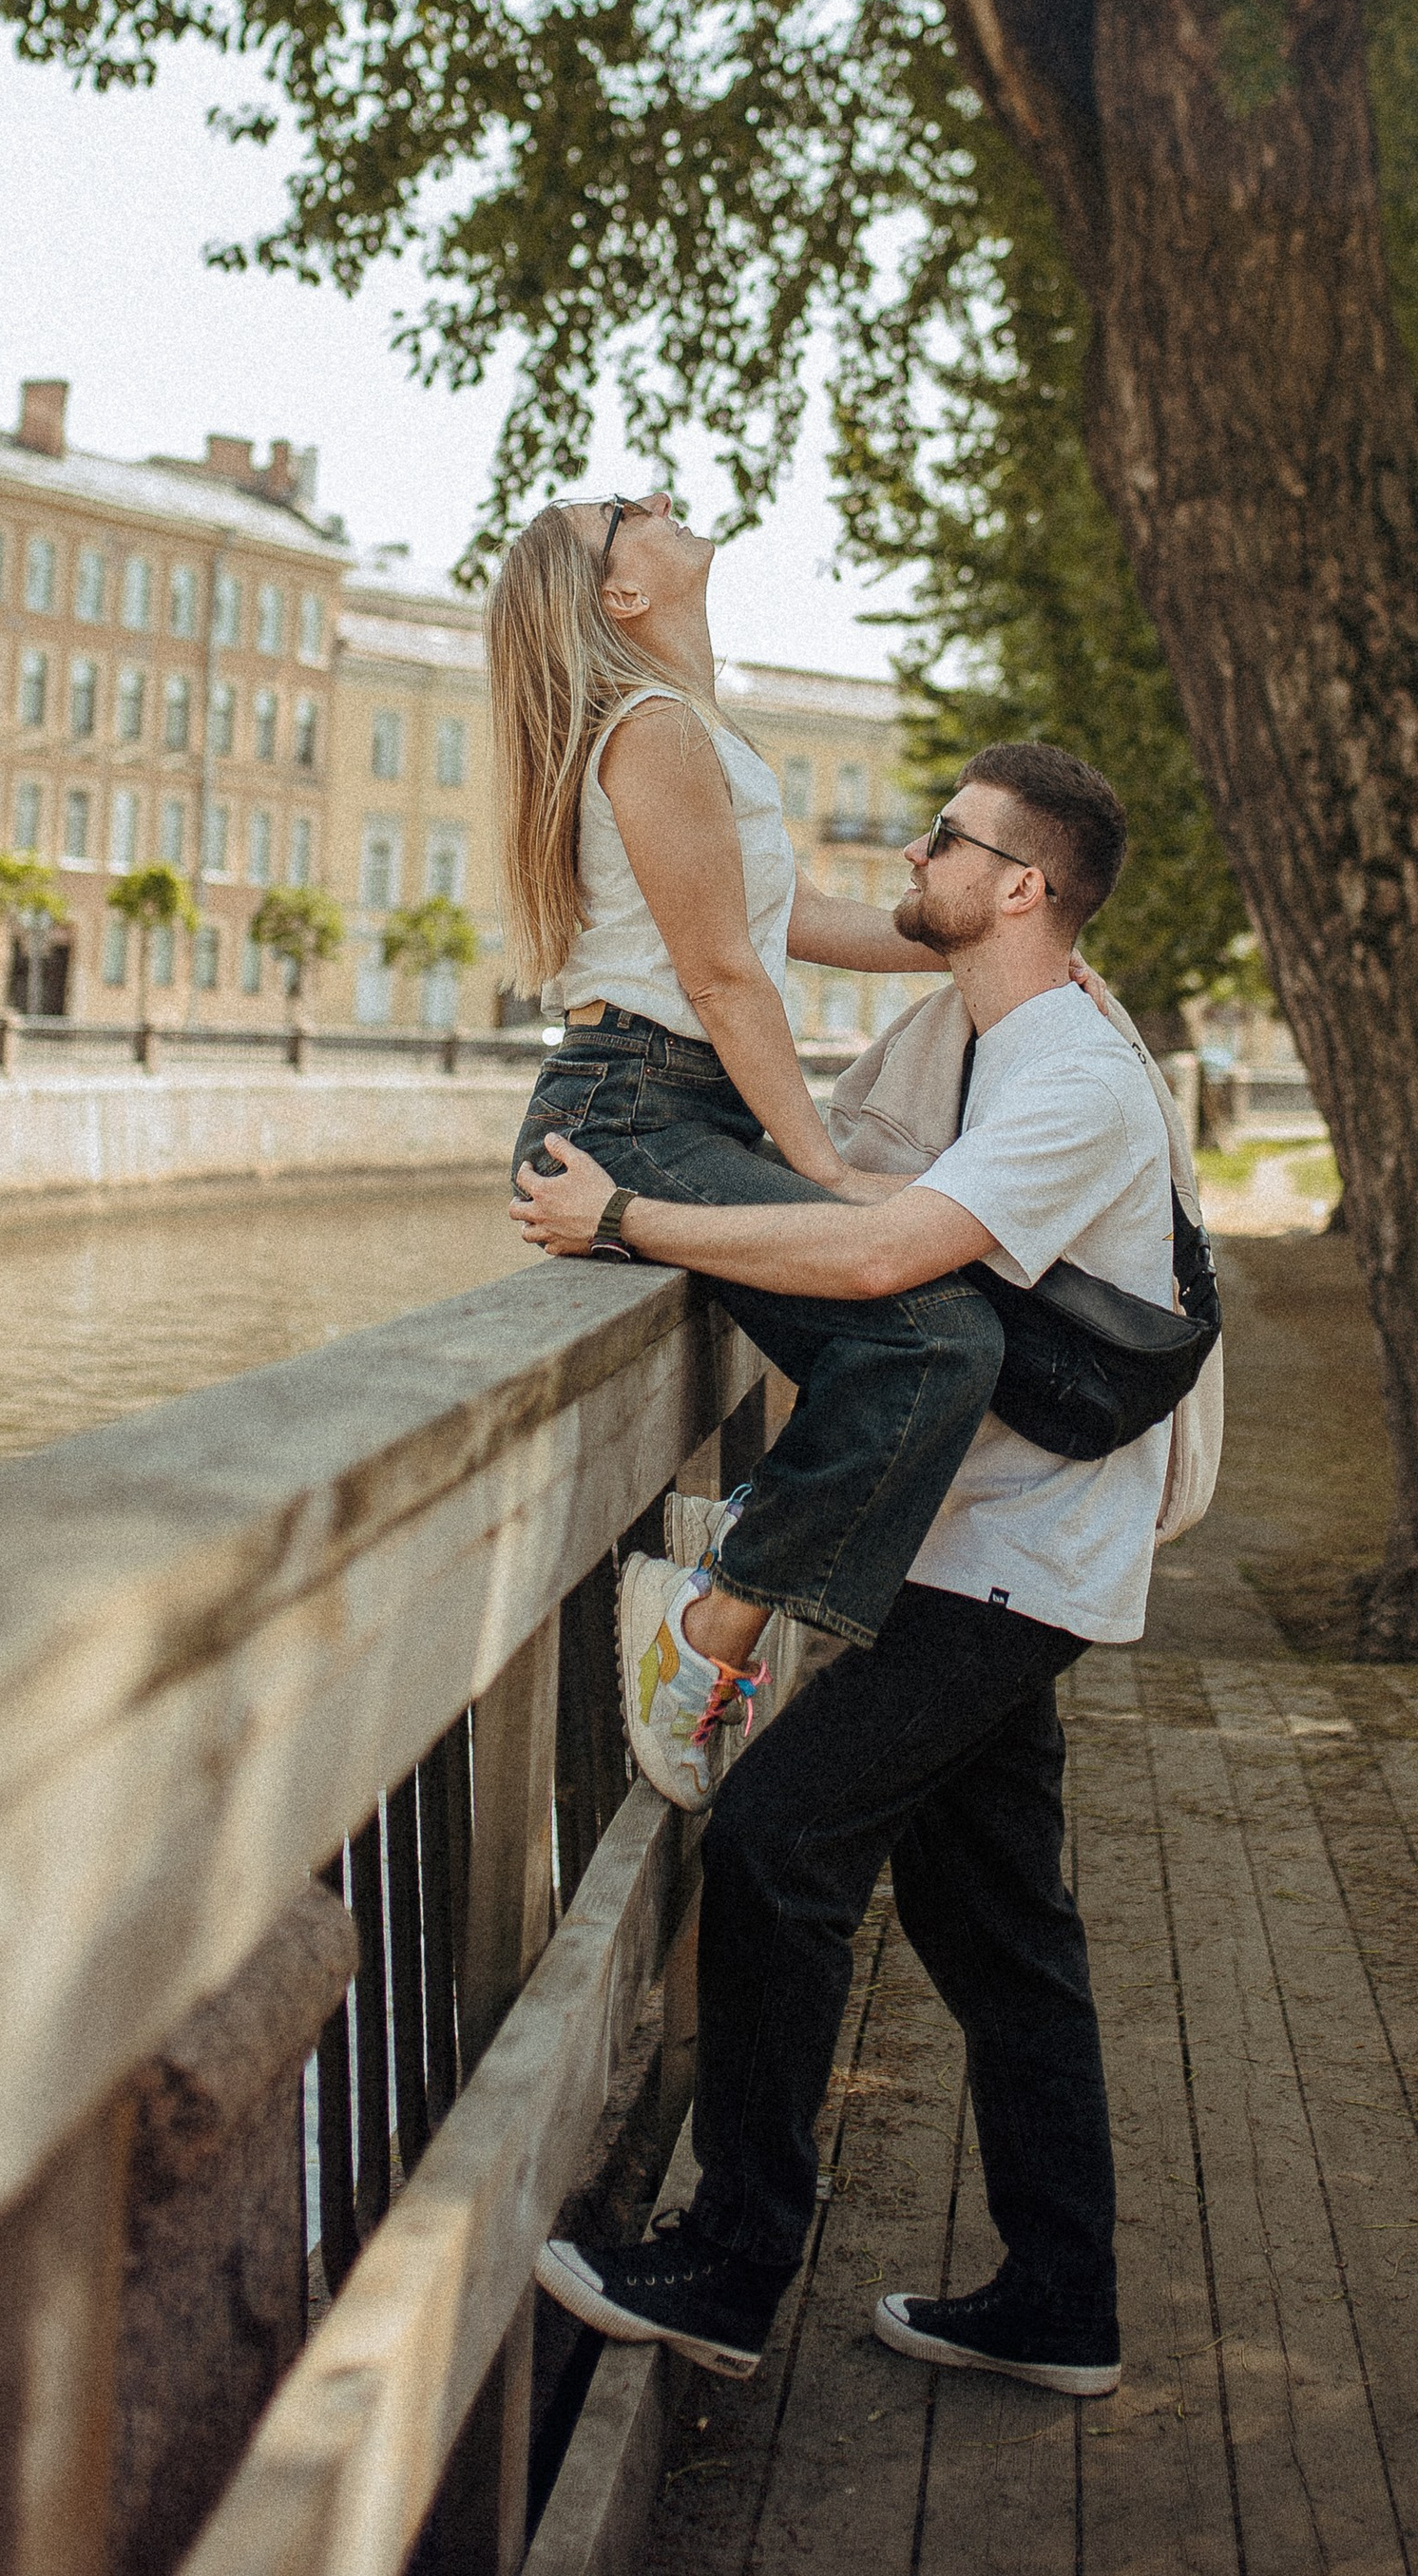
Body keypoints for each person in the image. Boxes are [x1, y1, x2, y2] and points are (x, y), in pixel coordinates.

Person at [513, 742, 1178, 2403]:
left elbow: (884, 1253)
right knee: (1002, 1928)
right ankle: (1062, 2301)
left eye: (947, 836)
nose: (915, 846)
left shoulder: (1079, 1077)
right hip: (964, 1532)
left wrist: (631, 1220)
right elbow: (832, 1174)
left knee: (778, 1838)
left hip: (1019, 1555)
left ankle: (732, 2265)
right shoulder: (961, 1026)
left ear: (1020, 886)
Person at [488, 488, 1006, 1803]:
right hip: (634, 1109)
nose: (657, 499)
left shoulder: (690, 730)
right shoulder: (651, 730)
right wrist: (826, 1169)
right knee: (936, 1334)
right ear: (621, 595)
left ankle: (738, 1561)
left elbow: (790, 921)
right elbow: (723, 977)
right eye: (625, 514)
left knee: (932, 1327)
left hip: (679, 1104)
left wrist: (1006, 941)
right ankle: (715, 1610)